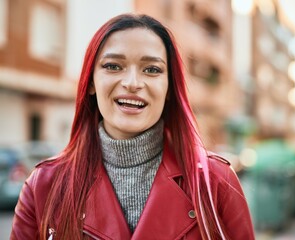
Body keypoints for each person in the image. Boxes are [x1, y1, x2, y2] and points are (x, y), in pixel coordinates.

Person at [11, 14, 254, 240]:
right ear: (91, 81)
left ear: (170, 87)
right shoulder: (44, 186)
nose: (132, 83)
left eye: (152, 69)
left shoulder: (216, 183)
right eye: (113, 66)